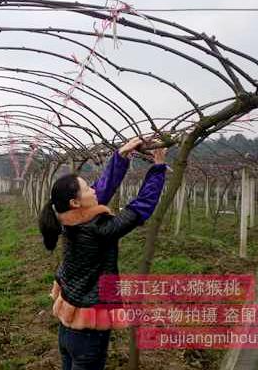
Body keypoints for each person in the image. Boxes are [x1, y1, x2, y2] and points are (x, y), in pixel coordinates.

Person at [38, 137, 167, 370]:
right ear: (75, 202)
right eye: (87, 188)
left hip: (68, 328)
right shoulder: (99, 229)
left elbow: (102, 189)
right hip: (88, 335)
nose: (93, 188)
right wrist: (158, 168)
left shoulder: (67, 220)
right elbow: (141, 207)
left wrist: (122, 155)